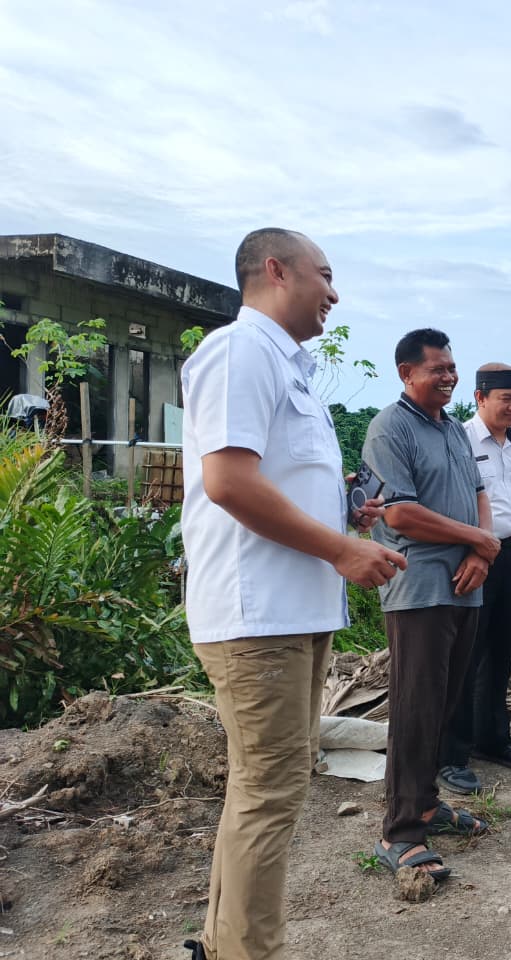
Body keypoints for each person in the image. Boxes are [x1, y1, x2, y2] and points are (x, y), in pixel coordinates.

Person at [180, 228, 406, 960]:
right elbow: (228, 482)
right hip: (258, 615)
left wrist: (342, 513)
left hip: (293, 611)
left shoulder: (289, 368)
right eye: (325, 275)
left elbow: (271, 478)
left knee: (263, 790)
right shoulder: (240, 351)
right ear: (276, 271)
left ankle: (222, 944)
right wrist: (341, 550)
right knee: (269, 794)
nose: (334, 293)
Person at [362, 328, 501, 881]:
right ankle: (399, 832)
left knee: (444, 702)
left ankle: (425, 804)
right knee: (416, 707)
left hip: (465, 584)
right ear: (406, 373)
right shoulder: (389, 428)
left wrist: (482, 552)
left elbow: (480, 495)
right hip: (418, 587)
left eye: (451, 367)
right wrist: (478, 540)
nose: (449, 376)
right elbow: (398, 513)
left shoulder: (453, 430)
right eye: (436, 368)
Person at [437, 363, 511, 794]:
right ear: (480, 398)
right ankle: (450, 755)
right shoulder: (458, 439)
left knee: (499, 650)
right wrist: (474, 550)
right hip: (474, 557)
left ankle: (492, 739)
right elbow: (450, 502)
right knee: (464, 653)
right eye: (505, 398)